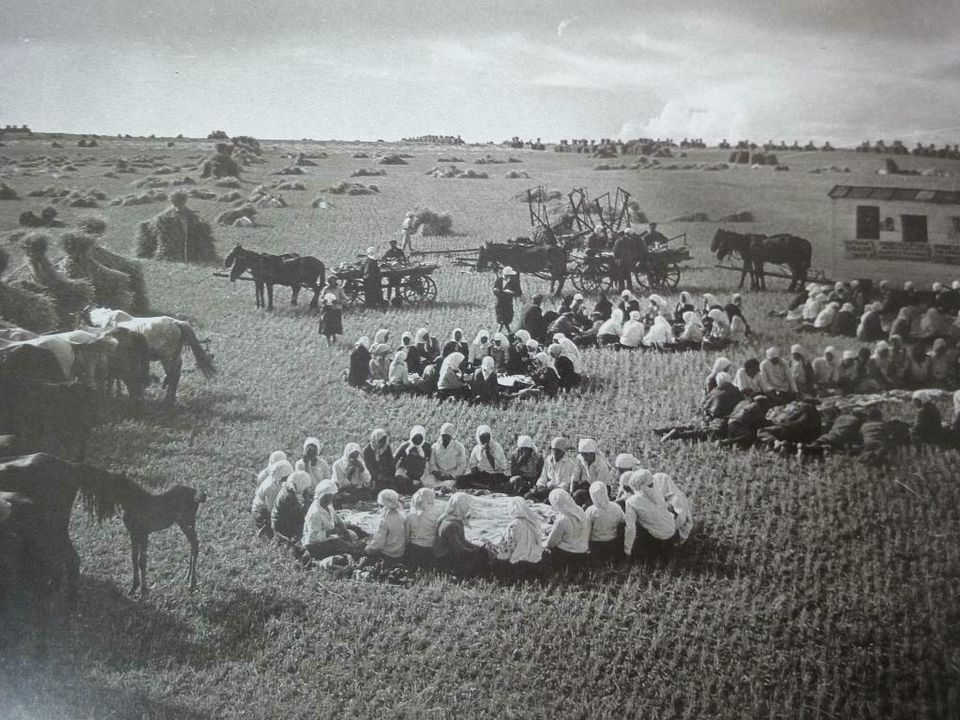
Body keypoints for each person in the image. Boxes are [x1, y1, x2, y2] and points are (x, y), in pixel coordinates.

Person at [301, 480, 361, 561]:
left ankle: (363, 541)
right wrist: (332, 532)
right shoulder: (315, 513)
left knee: (352, 527)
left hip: (328, 536)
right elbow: (312, 538)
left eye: (331, 496)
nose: (330, 499)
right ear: (322, 496)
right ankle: (358, 552)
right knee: (339, 543)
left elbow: (338, 520)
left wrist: (346, 532)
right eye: (327, 496)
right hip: (314, 546)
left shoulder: (328, 505)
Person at [486, 497, 545, 579]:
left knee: (486, 550)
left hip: (518, 563)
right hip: (534, 560)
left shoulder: (514, 525)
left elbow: (508, 549)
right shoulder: (532, 523)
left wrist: (491, 546)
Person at [623, 472, 678, 558]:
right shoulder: (655, 490)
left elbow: (630, 529)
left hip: (659, 538)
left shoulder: (631, 501)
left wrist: (627, 551)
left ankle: (650, 552)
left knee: (629, 521)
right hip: (672, 530)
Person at [434, 493, 486, 575]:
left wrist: (477, 547)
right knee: (480, 557)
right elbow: (458, 550)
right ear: (461, 506)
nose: (468, 508)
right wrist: (474, 552)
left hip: (451, 554)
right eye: (467, 505)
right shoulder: (450, 524)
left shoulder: (456, 520)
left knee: (482, 551)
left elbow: (463, 541)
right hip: (445, 560)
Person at [544, 488, 590, 569]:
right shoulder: (580, 510)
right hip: (583, 551)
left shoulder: (562, 520)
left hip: (568, 555)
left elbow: (550, 543)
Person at [526, 437, 577, 502]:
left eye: (557, 451)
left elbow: (565, 484)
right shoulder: (548, 460)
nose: (555, 453)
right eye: (553, 450)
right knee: (527, 496)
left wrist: (552, 488)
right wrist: (540, 485)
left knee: (547, 501)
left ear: (563, 452)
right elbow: (543, 476)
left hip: (558, 491)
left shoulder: (569, 464)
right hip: (546, 488)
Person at [252, 459, 294, 538]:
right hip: (262, 510)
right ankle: (266, 527)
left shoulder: (279, 482)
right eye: (286, 478)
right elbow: (271, 509)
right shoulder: (270, 488)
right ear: (280, 477)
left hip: (276, 502)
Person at [569, 438, 615, 507]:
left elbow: (599, 487)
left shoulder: (601, 465)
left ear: (592, 454)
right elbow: (575, 477)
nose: (584, 457)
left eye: (586, 455)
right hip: (585, 485)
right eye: (582, 454)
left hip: (601, 488)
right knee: (574, 497)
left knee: (585, 504)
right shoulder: (580, 459)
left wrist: (590, 501)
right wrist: (571, 493)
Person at [461, 424, 509, 490]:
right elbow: (472, 464)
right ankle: (484, 487)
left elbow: (500, 467)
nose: (485, 440)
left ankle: (485, 487)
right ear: (478, 438)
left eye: (487, 437)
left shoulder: (496, 447)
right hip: (482, 474)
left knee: (496, 481)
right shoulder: (476, 448)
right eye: (482, 437)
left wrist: (488, 453)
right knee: (462, 479)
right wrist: (474, 469)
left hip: (495, 474)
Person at [364, 489, 407, 563]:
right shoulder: (402, 515)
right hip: (401, 551)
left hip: (389, 554)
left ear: (383, 505)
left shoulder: (384, 520)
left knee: (366, 551)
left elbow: (378, 543)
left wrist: (368, 548)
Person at [585, 481, 624, 560]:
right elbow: (623, 521)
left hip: (596, 544)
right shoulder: (616, 507)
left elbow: (587, 530)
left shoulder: (590, 511)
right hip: (613, 541)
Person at [271, 469, 312, 541]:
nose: (305, 489)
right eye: (305, 487)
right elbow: (301, 516)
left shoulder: (288, 489)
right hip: (281, 526)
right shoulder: (289, 496)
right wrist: (306, 501)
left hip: (281, 521)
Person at [405, 487, 438, 567]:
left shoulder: (410, 516)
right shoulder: (435, 516)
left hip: (416, 549)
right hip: (431, 549)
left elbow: (407, 537)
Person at [493, 267, 518, 334]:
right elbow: (495, 291)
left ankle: (507, 332)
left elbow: (515, 292)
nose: (509, 276)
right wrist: (501, 292)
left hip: (508, 304)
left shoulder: (512, 282)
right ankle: (500, 334)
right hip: (500, 304)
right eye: (508, 275)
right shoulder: (499, 280)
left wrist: (510, 292)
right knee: (500, 320)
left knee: (507, 319)